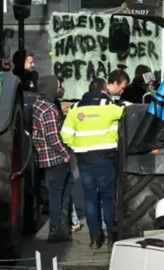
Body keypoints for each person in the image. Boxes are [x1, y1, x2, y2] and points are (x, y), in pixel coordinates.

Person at [61, 81, 125, 249]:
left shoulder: (75, 109)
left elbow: (65, 134)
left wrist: (77, 147)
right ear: (103, 90)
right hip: (105, 159)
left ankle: (95, 238)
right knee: (108, 199)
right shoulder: (108, 106)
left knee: (90, 199)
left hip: (84, 160)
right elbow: (126, 111)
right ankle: (111, 236)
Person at [30, 75, 72, 243]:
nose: (61, 89)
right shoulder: (48, 110)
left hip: (47, 158)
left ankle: (60, 228)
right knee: (58, 195)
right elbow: (53, 137)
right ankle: (56, 230)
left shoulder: (39, 104)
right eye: (59, 86)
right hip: (55, 159)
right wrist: (66, 153)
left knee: (58, 193)